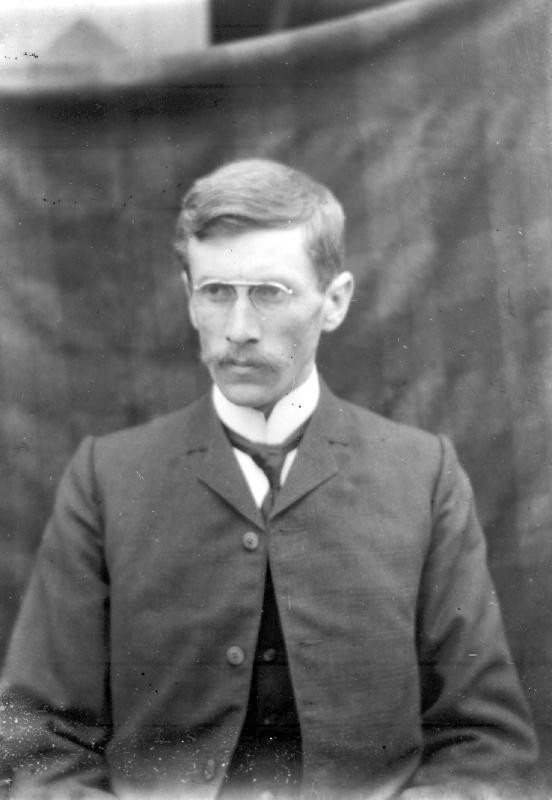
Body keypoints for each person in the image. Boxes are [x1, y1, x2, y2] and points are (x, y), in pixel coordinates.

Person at [0, 159, 539, 800]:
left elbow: (486, 744)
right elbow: (35, 742)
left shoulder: (423, 475)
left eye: (270, 293)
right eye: (215, 291)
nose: (238, 330)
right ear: (188, 295)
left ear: (334, 302)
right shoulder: (106, 479)